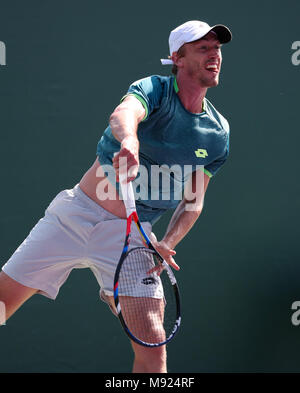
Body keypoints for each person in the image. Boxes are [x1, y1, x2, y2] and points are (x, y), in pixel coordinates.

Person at [0, 20, 232, 373]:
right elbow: (124, 113)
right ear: (177, 59)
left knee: (153, 347)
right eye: (203, 48)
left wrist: (168, 241)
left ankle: (117, 290)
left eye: (217, 48)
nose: (214, 55)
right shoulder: (154, 89)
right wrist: (130, 141)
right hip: (75, 216)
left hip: (133, 238)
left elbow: (193, 200)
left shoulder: (216, 134)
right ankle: (112, 292)